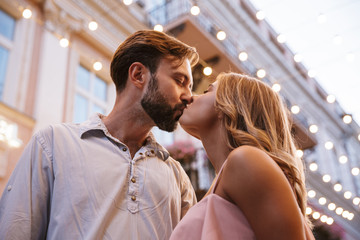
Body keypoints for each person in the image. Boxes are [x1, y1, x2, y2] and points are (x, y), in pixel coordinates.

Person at [0, 30, 199, 239]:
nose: (188, 96)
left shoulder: (178, 178)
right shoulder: (53, 144)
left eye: (190, 86)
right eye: (180, 81)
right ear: (139, 75)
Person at [170, 72, 315, 240]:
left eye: (207, 91)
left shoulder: (246, 160)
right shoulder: (232, 172)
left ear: (228, 105)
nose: (189, 97)